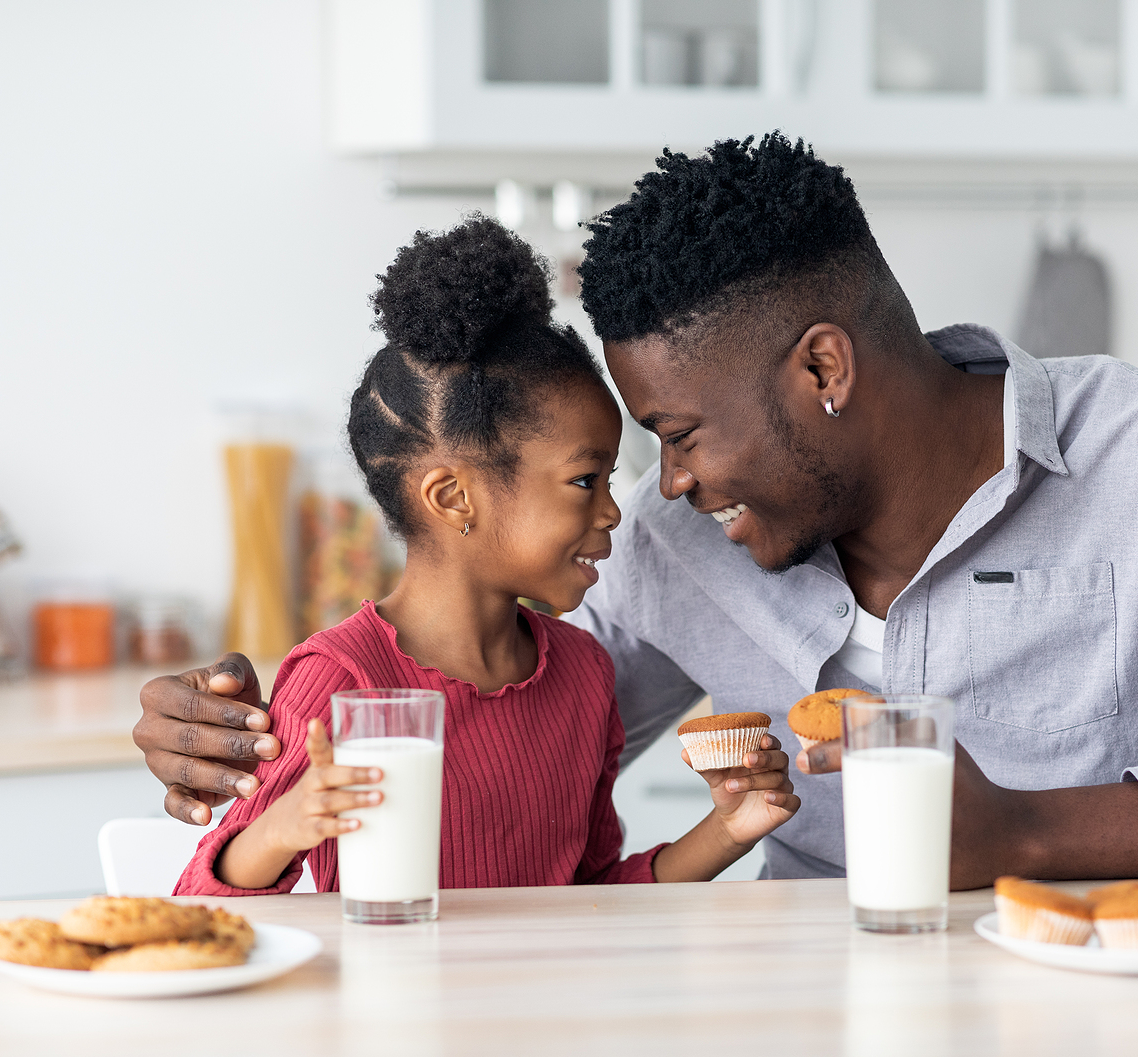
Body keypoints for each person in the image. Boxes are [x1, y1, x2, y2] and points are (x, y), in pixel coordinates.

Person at [140, 134, 1138, 888]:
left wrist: (1032, 827)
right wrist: (242, 738)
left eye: (684, 435)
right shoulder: (672, 544)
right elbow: (508, 715)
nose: (673, 484)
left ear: (823, 368)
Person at [172, 217, 798, 896]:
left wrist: (729, 827)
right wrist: (283, 826)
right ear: (453, 496)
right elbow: (203, 899)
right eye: (586, 480)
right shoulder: (341, 679)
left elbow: (588, 895)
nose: (614, 510)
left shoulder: (583, 675)